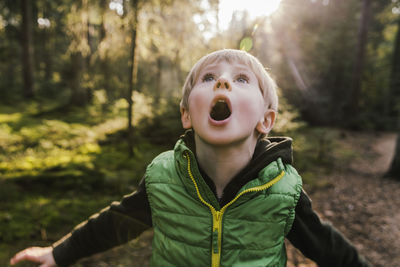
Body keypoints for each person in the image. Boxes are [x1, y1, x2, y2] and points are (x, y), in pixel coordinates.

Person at [10, 49, 370, 267]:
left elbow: (329, 248)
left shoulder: (283, 189)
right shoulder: (164, 178)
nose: (222, 83)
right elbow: (115, 223)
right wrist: (58, 254)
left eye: (241, 79)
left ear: (266, 119)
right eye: (209, 77)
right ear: (187, 115)